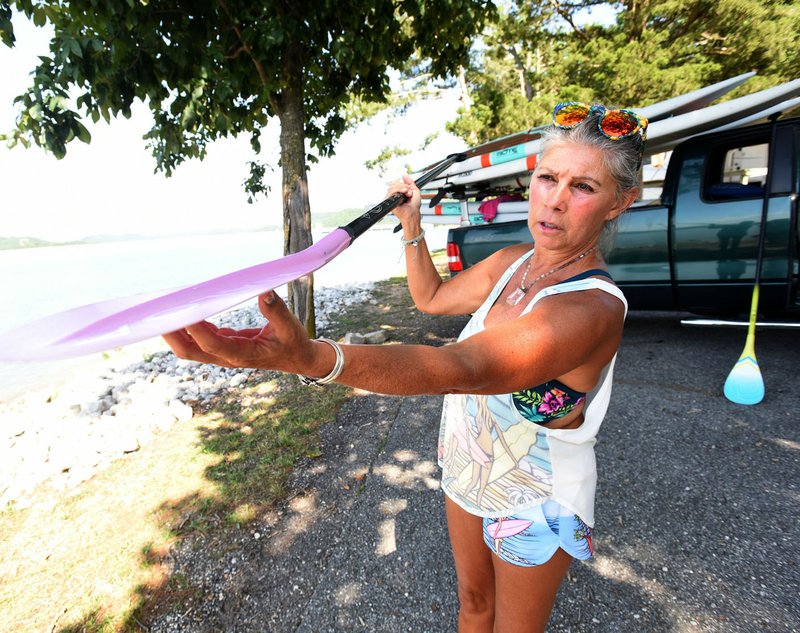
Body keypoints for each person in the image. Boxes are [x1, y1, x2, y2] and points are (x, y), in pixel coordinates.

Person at [164, 102, 647, 633]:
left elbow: (459, 366)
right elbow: (432, 297)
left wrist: (310, 358)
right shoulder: (513, 262)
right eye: (547, 177)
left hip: (539, 498)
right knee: (472, 603)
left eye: (583, 187)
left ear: (620, 203)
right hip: (470, 468)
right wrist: (411, 223)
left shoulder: (592, 308)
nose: (554, 200)